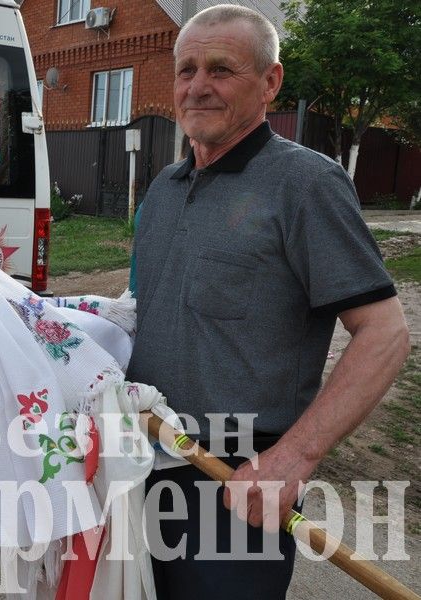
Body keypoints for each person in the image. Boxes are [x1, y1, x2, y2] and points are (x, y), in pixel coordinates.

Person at [126, 5, 409, 599]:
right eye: (186, 70)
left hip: (236, 486)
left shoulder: (305, 184)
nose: (197, 86)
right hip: (139, 472)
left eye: (221, 70)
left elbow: (385, 332)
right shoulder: (163, 189)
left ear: (270, 82)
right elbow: (143, 313)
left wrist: (293, 459)